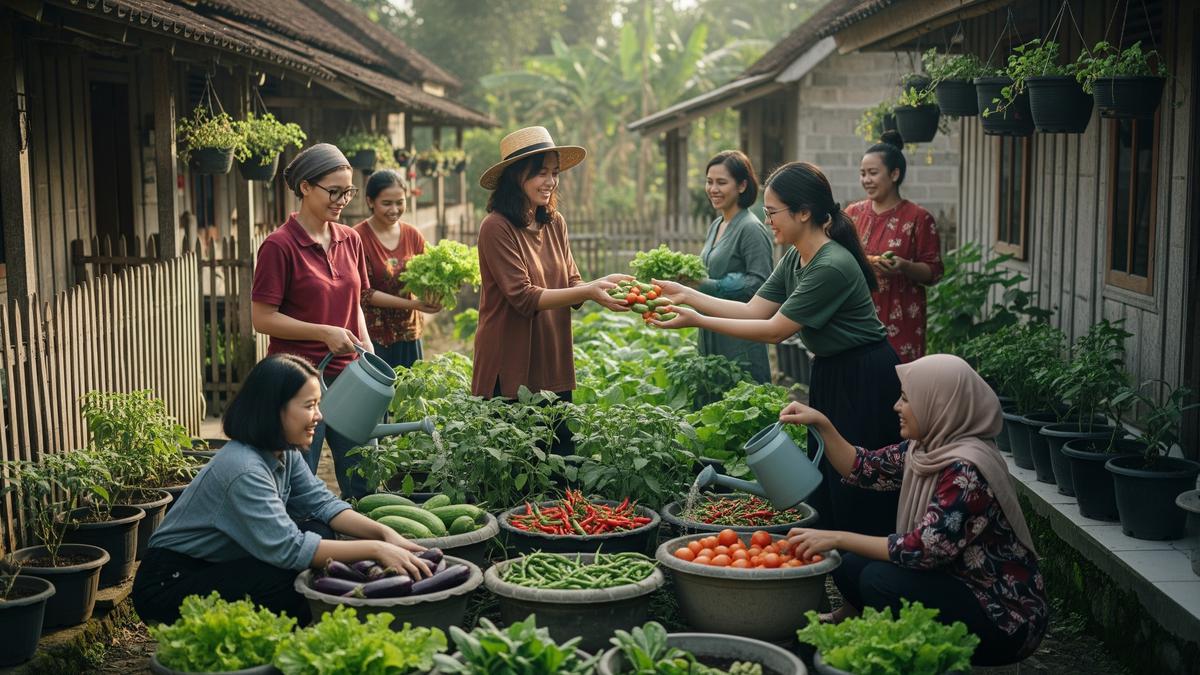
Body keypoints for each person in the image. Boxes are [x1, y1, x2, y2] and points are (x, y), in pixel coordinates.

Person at [652, 162, 902, 535]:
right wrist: (687, 294)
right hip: (832, 371)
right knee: (829, 476)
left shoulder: (830, 264)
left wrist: (696, 318)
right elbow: (754, 309)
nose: (767, 220)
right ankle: (833, 557)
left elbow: (773, 331)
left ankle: (865, 569)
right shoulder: (796, 256)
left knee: (859, 478)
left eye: (772, 213)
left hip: (864, 376)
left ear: (804, 212)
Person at [780, 354, 1048, 665]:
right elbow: (863, 467)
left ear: (938, 403)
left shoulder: (967, 471)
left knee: (878, 581)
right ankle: (896, 644)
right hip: (957, 584)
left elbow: (923, 549)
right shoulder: (926, 449)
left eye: (906, 399)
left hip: (1002, 616)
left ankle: (925, 656)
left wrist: (837, 537)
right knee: (849, 566)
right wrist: (822, 423)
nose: (897, 407)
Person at [132, 355, 431, 626]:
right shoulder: (244, 469)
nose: (319, 416)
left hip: (215, 565)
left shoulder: (282, 452)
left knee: (319, 530)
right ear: (275, 409)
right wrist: (376, 550)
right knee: (290, 579)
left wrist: (384, 534)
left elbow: (322, 503)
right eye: (309, 405)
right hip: (168, 585)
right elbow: (289, 549)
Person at [251, 143, 436, 499]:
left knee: (363, 473)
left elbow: (357, 304)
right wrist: (323, 333)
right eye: (333, 192)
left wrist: (365, 346)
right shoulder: (279, 246)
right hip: (298, 379)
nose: (341, 200)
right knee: (300, 477)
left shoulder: (350, 239)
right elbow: (262, 318)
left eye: (347, 192)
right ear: (305, 187)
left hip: (350, 375)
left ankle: (362, 547)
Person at [471, 126, 629, 454]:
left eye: (554, 173)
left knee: (558, 458)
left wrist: (602, 288)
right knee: (515, 461)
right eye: (540, 173)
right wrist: (588, 292)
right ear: (517, 177)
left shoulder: (554, 222)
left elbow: (572, 280)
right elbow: (523, 296)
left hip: (552, 354)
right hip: (510, 358)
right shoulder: (496, 227)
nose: (551, 182)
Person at [846, 130, 943, 362]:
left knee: (900, 386)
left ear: (894, 174)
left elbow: (934, 272)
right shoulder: (852, 214)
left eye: (873, 173)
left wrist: (905, 266)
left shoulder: (918, 218)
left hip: (902, 319)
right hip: (858, 315)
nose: (866, 180)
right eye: (862, 174)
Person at [694, 151, 774, 383]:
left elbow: (760, 284)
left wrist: (704, 285)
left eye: (721, 182)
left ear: (742, 185)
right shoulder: (717, 224)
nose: (713, 189)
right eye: (709, 182)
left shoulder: (751, 228)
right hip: (711, 330)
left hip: (739, 339)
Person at [353, 170, 439, 370]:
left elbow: (428, 276)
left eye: (400, 202)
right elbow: (363, 294)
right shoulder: (357, 237)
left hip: (409, 333)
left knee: (410, 396)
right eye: (387, 203)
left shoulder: (413, 235)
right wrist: (414, 304)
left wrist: (436, 296)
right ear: (370, 201)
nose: (394, 209)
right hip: (373, 337)